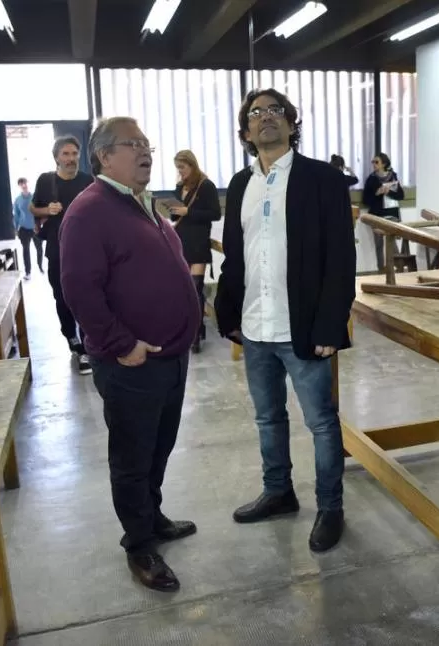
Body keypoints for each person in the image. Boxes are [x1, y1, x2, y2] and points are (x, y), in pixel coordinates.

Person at [60, 116, 200, 592]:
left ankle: (153, 516)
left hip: (170, 356)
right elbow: (79, 289)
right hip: (131, 362)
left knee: (158, 446)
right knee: (133, 455)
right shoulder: (89, 210)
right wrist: (122, 344)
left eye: (147, 143)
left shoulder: (144, 203)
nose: (145, 151)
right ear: (104, 155)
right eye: (133, 144)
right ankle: (139, 544)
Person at [214, 89, 356, 553]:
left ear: (293, 124)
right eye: (256, 113)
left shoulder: (323, 180)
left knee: (321, 423)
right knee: (267, 419)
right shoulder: (239, 185)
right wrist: (228, 313)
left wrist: (332, 326)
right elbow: (235, 256)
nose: (266, 118)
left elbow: (340, 259)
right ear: (245, 133)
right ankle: (279, 492)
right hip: (255, 328)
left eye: (276, 111)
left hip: (304, 330)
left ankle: (330, 508)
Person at [30, 135, 95, 374]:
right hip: (57, 250)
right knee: (62, 296)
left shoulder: (88, 181)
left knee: (89, 295)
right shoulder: (46, 181)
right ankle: (73, 339)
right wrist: (47, 209)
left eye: (74, 154)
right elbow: (33, 208)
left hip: (86, 249)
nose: (71, 159)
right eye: (66, 154)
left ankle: (87, 347)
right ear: (56, 157)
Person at [168, 150, 221, 353]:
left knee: (195, 288)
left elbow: (215, 213)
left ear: (192, 165)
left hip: (198, 241)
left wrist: (188, 211)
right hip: (181, 241)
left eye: (182, 167)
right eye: (177, 168)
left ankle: (196, 333)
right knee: (183, 289)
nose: (180, 172)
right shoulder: (180, 186)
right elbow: (175, 217)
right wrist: (174, 209)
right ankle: (189, 328)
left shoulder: (206, 186)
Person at [362, 152, 405, 271]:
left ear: (384, 164)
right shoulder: (371, 179)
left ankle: (398, 267)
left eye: (376, 162)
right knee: (379, 243)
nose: (374, 164)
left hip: (391, 213)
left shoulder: (393, 176)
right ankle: (381, 269)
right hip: (377, 214)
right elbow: (365, 199)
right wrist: (377, 193)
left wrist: (388, 192)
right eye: (373, 162)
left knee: (392, 241)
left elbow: (401, 195)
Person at [13, 177, 43, 279]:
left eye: (25, 183)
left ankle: (40, 266)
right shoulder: (17, 200)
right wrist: (16, 229)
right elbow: (16, 215)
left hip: (35, 227)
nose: (24, 185)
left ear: (27, 184)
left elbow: (40, 210)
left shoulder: (35, 197)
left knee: (39, 248)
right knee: (26, 250)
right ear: (19, 186)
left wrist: (41, 224)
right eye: (21, 184)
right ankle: (28, 272)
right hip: (24, 229)